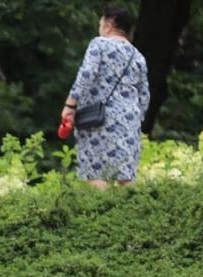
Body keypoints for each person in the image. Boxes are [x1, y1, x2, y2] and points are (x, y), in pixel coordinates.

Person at [62, 5, 150, 189]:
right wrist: (135, 120)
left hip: (99, 119)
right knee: (126, 178)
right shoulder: (138, 56)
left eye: (101, 22)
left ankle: (104, 214)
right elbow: (144, 95)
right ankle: (131, 214)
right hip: (130, 121)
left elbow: (86, 75)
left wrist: (70, 106)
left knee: (95, 173)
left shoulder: (99, 44)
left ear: (109, 24)